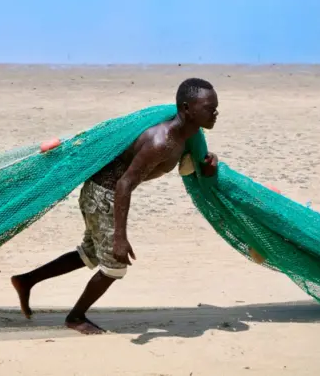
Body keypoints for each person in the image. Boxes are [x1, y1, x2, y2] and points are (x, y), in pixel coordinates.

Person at [11, 78, 220, 335]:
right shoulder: (161, 142)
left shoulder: (188, 136)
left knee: (90, 252)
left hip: (103, 193)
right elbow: (124, 185)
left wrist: (209, 166)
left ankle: (26, 281)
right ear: (187, 109)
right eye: (209, 108)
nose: (215, 112)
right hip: (105, 195)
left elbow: (193, 165)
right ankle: (75, 317)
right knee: (114, 267)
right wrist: (120, 237)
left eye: (215, 107)